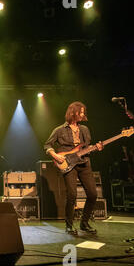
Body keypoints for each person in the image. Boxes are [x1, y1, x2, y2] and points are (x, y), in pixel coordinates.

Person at [44, 101, 103, 235]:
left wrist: (96, 148)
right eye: (80, 112)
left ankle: (84, 223)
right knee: (72, 195)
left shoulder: (85, 130)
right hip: (69, 165)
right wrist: (55, 155)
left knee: (93, 194)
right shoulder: (59, 130)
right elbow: (47, 145)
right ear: (73, 113)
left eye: (83, 112)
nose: (82, 114)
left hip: (84, 163)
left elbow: (86, 148)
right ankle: (69, 226)